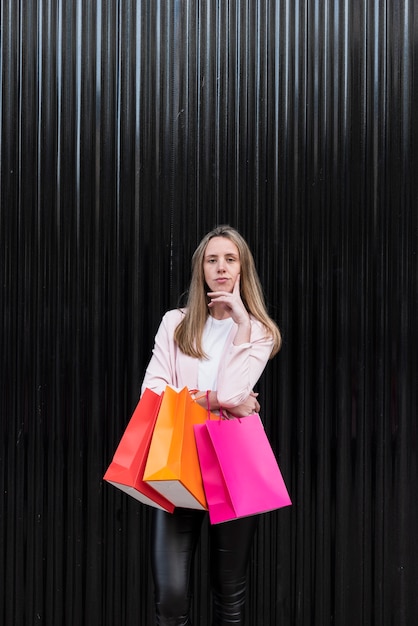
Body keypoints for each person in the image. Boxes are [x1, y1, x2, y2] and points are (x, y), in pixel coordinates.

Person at [141, 225, 282, 626]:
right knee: (169, 597)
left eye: (230, 259)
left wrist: (240, 324)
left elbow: (238, 391)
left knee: (230, 596)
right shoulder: (176, 323)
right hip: (178, 457)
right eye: (212, 259)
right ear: (201, 269)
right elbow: (151, 393)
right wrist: (218, 401)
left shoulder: (260, 332)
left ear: (243, 269)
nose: (221, 267)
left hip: (233, 461)